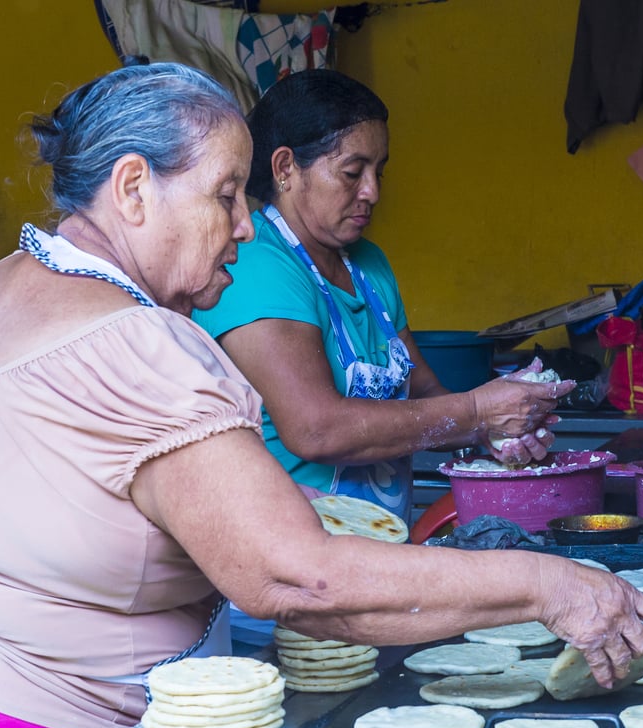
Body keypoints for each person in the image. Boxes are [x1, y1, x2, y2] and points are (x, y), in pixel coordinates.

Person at [0, 62, 643, 728]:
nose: (246, 224)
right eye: (227, 194)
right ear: (134, 189)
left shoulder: (1, 282)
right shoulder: (141, 348)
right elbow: (295, 578)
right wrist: (551, 585)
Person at [194, 69, 571, 524]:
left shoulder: (368, 264)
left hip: (377, 541)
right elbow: (316, 429)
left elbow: (425, 394)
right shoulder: (255, 264)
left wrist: (494, 427)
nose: (372, 192)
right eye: (352, 172)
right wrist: (476, 412)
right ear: (285, 168)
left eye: (379, 171)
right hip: (289, 545)